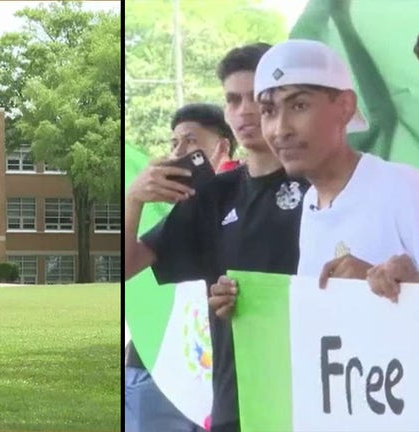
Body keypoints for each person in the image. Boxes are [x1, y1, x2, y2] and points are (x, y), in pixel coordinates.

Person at [127, 42, 309, 432]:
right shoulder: (213, 194)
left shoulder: (321, 183)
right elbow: (126, 266)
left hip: (316, 394)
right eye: (232, 99)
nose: (244, 110)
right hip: (237, 401)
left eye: (256, 97)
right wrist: (134, 200)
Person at [251, 39, 419, 295]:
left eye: (299, 106)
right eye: (268, 111)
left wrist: (408, 286)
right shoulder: (310, 202)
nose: (280, 130)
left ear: (345, 107)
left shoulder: (404, 188)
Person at [124, 102, 238, 432]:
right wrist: (134, 200)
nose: (179, 151)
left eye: (190, 141)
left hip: (229, 379)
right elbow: (129, 264)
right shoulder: (186, 210)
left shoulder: (252, 195)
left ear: (222, 146)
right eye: (174, 143)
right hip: (162, 372)